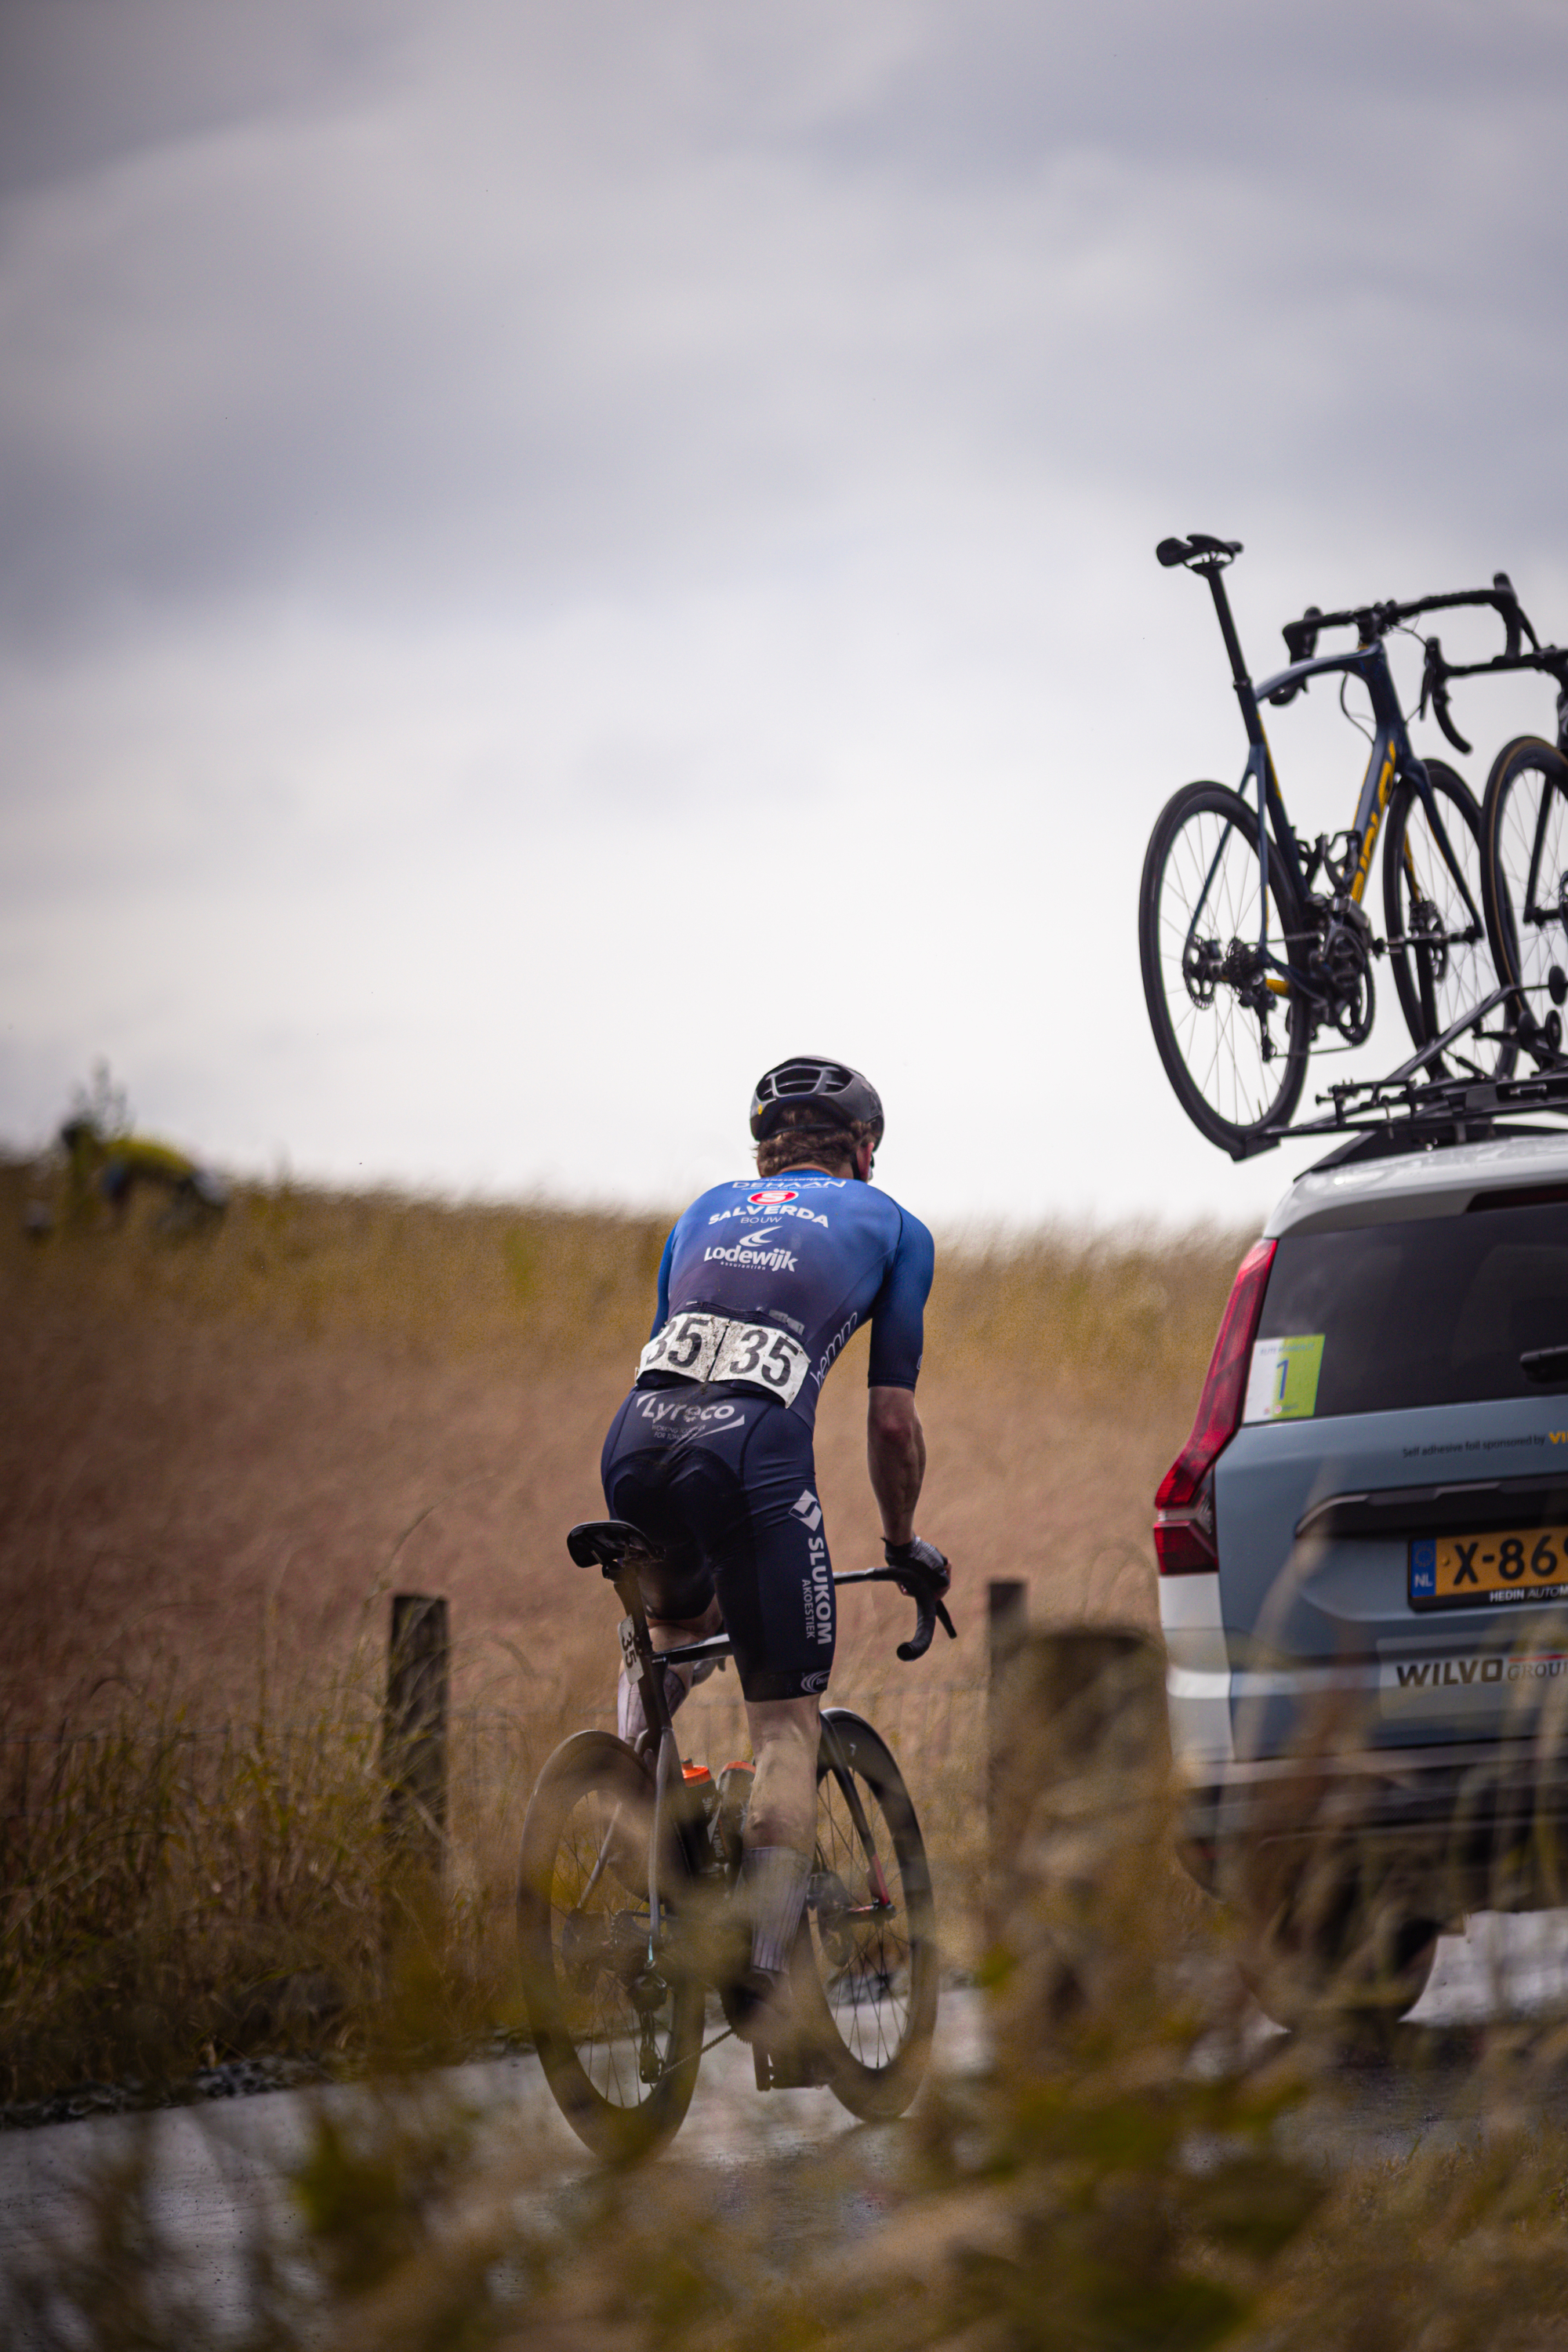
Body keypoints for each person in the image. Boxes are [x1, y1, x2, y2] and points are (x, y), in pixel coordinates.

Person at [597, 1054, 949, 2044]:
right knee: (787, 1724)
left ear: (760, 1154)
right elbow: (889, 1424)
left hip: (632, 1449)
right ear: (865, 1151)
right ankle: (754, 1972)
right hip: (749, 1459)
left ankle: (638, 1809)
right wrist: (900, 1542)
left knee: (677, 1624)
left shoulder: (702, 1210)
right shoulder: (893, 1227)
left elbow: (679, 1359)